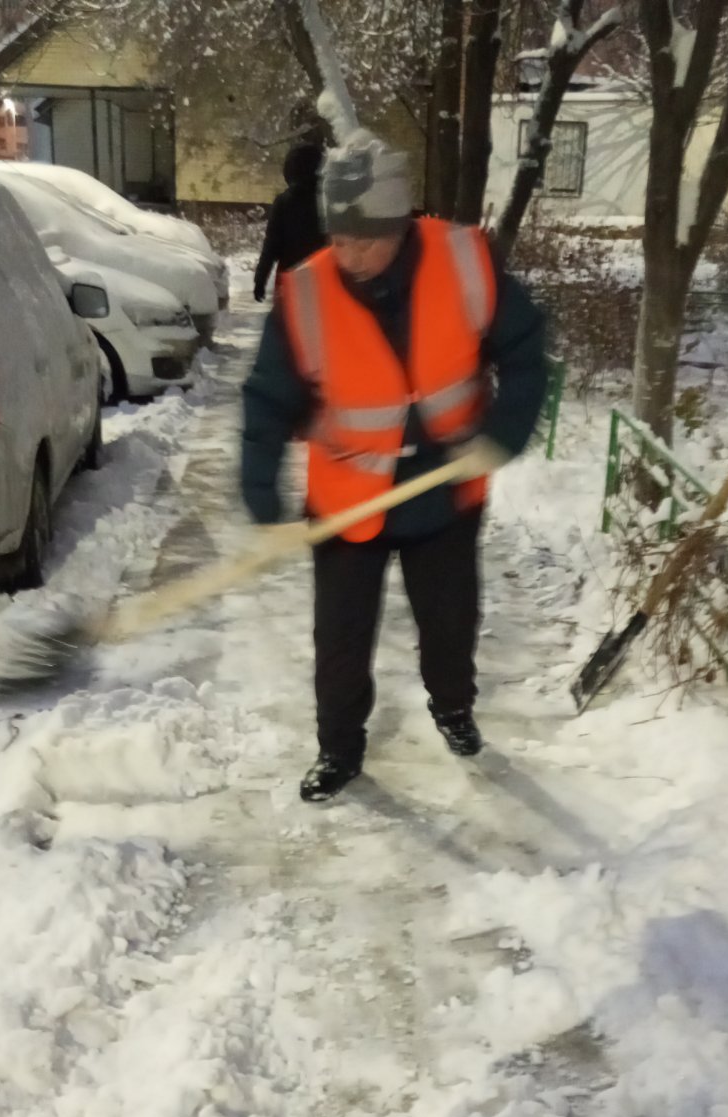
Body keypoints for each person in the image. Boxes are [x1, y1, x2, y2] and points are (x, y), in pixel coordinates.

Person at [241, 131, 547, 803]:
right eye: (337, 238)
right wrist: (261, 492)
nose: (347, 255)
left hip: (443, 490)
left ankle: (453, 707)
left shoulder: (463, 260)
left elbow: (526, 351)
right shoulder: (307, 291)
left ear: (399, 226)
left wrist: (503, 432)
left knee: (450, 623)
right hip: (348, 497)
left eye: (363, 241)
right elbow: (268, 397)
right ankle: (338, 748)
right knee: (340, 639)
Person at [253, 142, 327, 303]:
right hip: (323, 277)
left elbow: (271, 246)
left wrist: (260, 279)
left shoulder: (284, 202)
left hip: (290, 279)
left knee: (290, 318)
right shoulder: (327, 202)